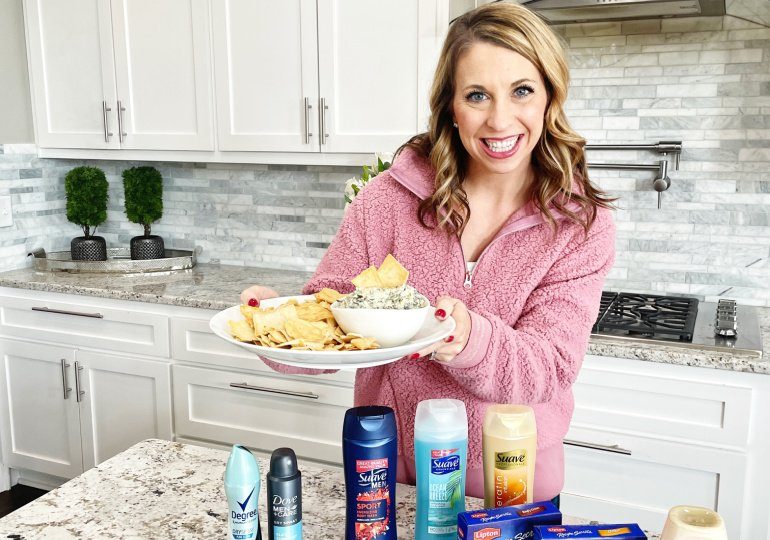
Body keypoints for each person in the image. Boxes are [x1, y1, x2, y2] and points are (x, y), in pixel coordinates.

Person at [241, 3, 615, 504]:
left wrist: (468, 338)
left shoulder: (579, 225)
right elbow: (333, 321)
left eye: (522, 90)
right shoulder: (386, 200)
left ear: (550, 96)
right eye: (477, 95)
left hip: (511, 479)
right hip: (390, 472)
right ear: (451, 107)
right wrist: (279, 327)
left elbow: (550, 366)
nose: (500, 118)